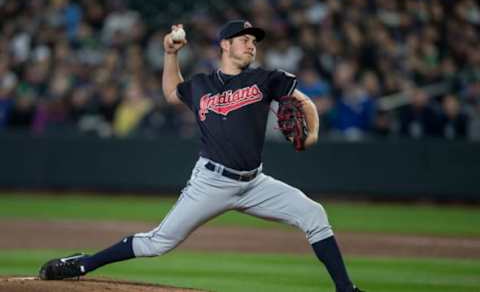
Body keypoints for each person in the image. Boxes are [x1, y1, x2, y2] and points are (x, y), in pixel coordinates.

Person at [39, 20, 363, 292]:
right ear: (224, 45)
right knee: (157, 243)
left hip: (255, 182)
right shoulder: (201, 85)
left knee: (314, 214)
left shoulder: (267, 78)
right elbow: (170, 92)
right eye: (244, 39)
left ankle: (346, 289)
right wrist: (170, 54)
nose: (251, 45)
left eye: (254, 41)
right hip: (211, 181)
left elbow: (305, 103)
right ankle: (82, 263)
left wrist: (314, 134)